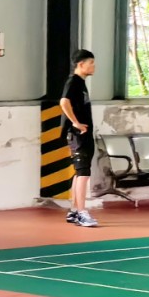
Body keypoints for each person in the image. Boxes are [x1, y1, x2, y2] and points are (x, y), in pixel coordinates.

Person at [58, 50, 99, 229]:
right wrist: (75, 123)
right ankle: (82, 212)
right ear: (81, 64)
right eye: (91, 63)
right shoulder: (73, 81)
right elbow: (64, 102)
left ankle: (74, 210)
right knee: (83, 174)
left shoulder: (80, 83)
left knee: (80, 172)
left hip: (84, 134)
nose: (94, 66)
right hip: (78, 135)